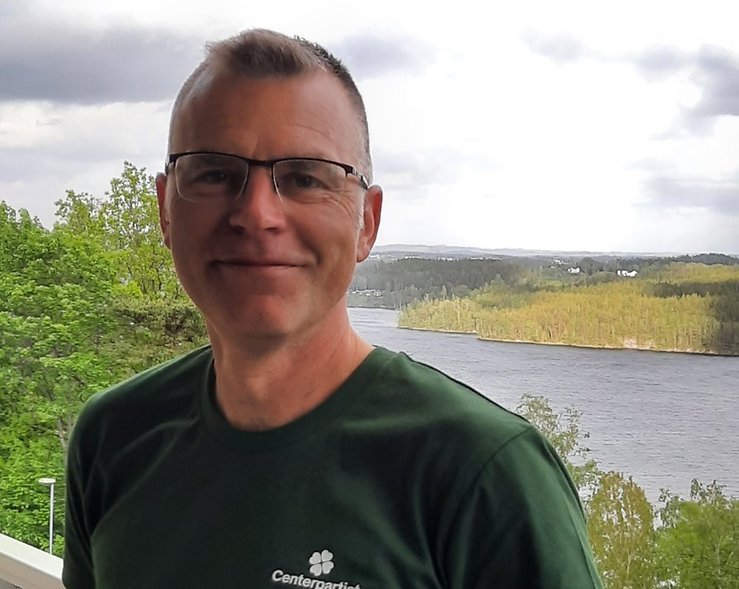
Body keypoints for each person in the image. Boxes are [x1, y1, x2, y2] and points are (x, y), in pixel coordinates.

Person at [63, 29, 603, 588]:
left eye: (304, 178)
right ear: (165, 210)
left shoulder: (485, 475)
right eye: (215, 173)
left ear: (367, 222)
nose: (257, 215)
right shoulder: (113, 437)